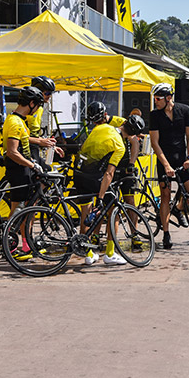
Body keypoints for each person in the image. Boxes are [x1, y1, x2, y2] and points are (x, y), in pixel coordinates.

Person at [73, 101, 131, 266]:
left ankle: (89, 254)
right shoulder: (119, 144)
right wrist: (101, 196)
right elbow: (109, 173)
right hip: (94, 177)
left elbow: (83, 147)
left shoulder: (96, 130)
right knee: (113, 209)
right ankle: (110, 254)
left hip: (78, 173)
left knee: (86, 213)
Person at [148, 82, 189, 250]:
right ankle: (166, 234)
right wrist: (166, 165)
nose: (155, 101)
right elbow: (155, 143)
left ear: (168, 98)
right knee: (165, 196)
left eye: (158, 98)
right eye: (154, 98)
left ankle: (178, 208)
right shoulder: (155, 115)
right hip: (164, 161)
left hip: (182, 158)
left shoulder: (184, 110)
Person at [3, 86, 45, 260]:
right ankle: (10, 248)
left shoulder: (19, 120)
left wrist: (42, 143)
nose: (37, 110)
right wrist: (32, 165)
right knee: (16, 211)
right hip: (18, 170)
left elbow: (24, 142)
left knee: (26, 210)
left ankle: (27, 245)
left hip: (24, 169)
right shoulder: (14, 121)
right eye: (37, 105)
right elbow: (12, 151)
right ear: (32, 103)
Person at [27, 76, 64, 167]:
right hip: (25, 149)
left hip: (33, 147)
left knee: (47, 171)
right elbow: (20, 136)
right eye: (47, 93)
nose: (49, 96)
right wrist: (40, 142)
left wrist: (50, 144)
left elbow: (35, 134)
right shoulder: (29, 108)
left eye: (51, 93)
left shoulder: (39, 108)